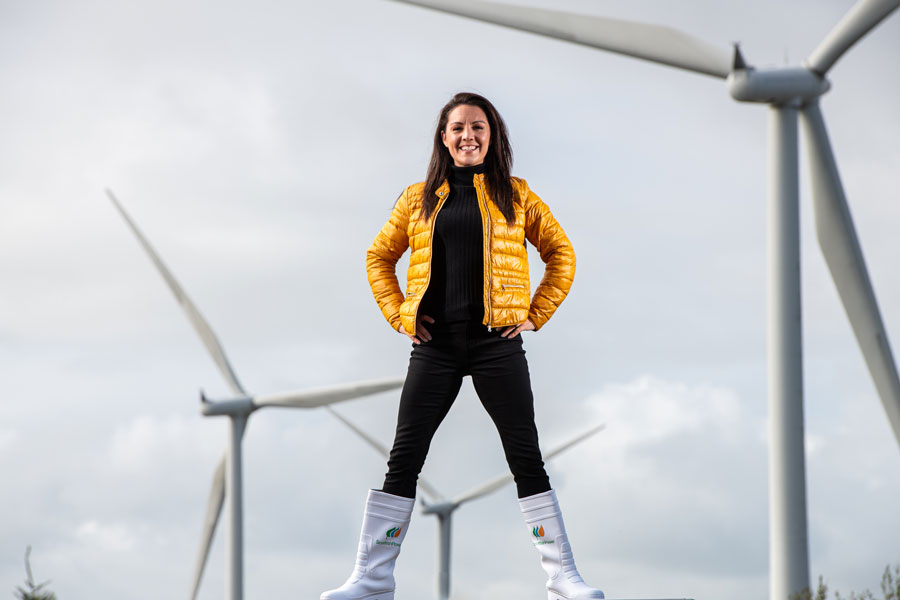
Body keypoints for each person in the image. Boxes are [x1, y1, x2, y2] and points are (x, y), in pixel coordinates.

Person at [320, 92, 603, 600]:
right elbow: (378, 257)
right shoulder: (417, 198)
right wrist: (399, 313)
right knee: (403, 459)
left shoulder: (517, 195)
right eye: (457, 128)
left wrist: (535, 315)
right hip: (436, 347)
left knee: (526, 459)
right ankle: (373, 578)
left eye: (478, 127)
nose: (467, 136)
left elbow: (561, 253)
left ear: (492, 136)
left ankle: (563, 579)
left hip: (498, 345)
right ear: (443, 137)